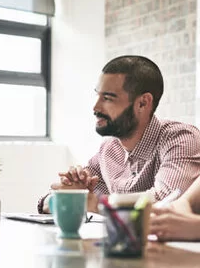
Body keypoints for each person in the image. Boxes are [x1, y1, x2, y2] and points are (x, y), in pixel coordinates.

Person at [37, 55, 200, 214]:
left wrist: (92, 203)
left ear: (143, 103)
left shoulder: (182, 139)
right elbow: (56, 199)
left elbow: (166, 202)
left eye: (107, 98)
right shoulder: (109, 149)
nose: (95, 107)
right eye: (97, 95)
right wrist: (64, 195)